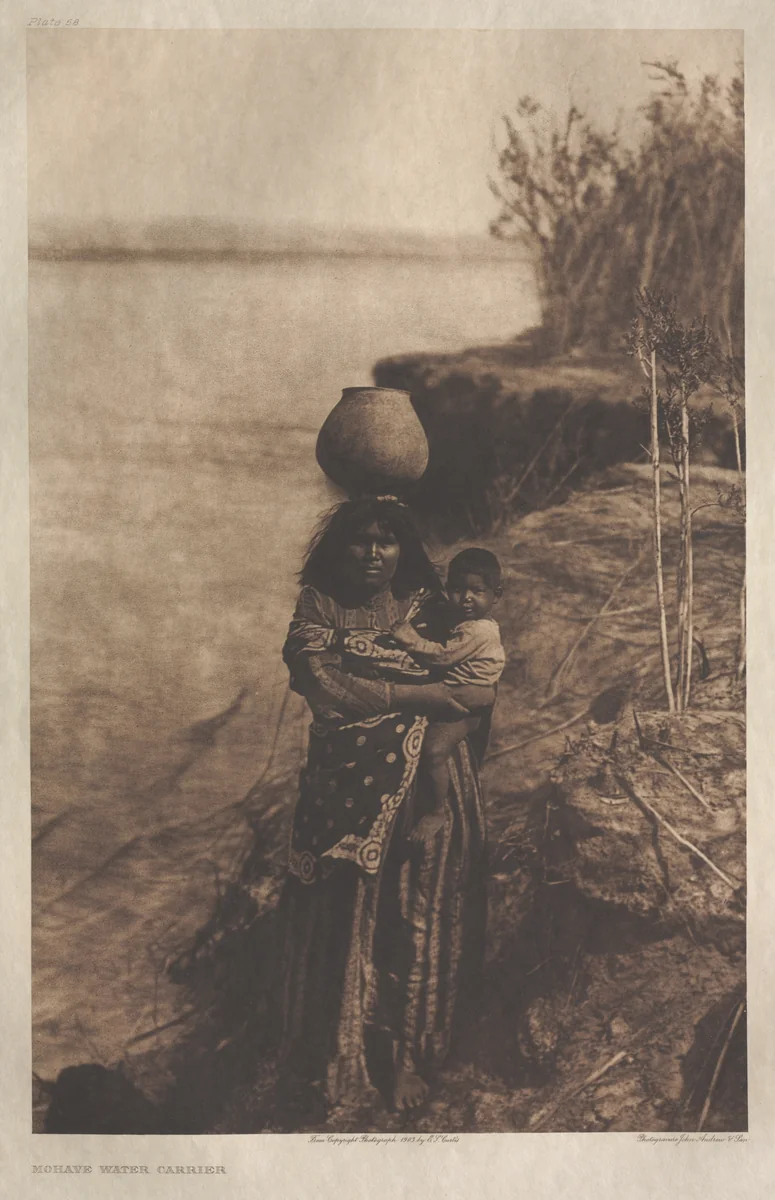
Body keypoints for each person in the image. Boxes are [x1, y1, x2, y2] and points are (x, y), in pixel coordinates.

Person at [275, 496, 491, 1120]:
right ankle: (344, 1052)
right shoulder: (317, 605)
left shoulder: (429, 606)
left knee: (414, 909)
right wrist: (417, 692)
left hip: (428, 778)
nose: (373, 553)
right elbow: (320, 679)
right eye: (360, 542)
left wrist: (434, 705)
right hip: (345, 786)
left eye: (387, 541)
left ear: (404, 549)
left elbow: (479, 679)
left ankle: (408, 1056)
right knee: (347, 916)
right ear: (339, 549)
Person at [390, 548, 505, 845]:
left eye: (477, 590)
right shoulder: (467, 625)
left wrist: (411, 641)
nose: (465, 597)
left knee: (433, 750)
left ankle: (437, 811)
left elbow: (442, 658)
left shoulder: (480, 631)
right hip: (464, 695)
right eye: (457, 589)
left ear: (496, 594)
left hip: (467, 702)